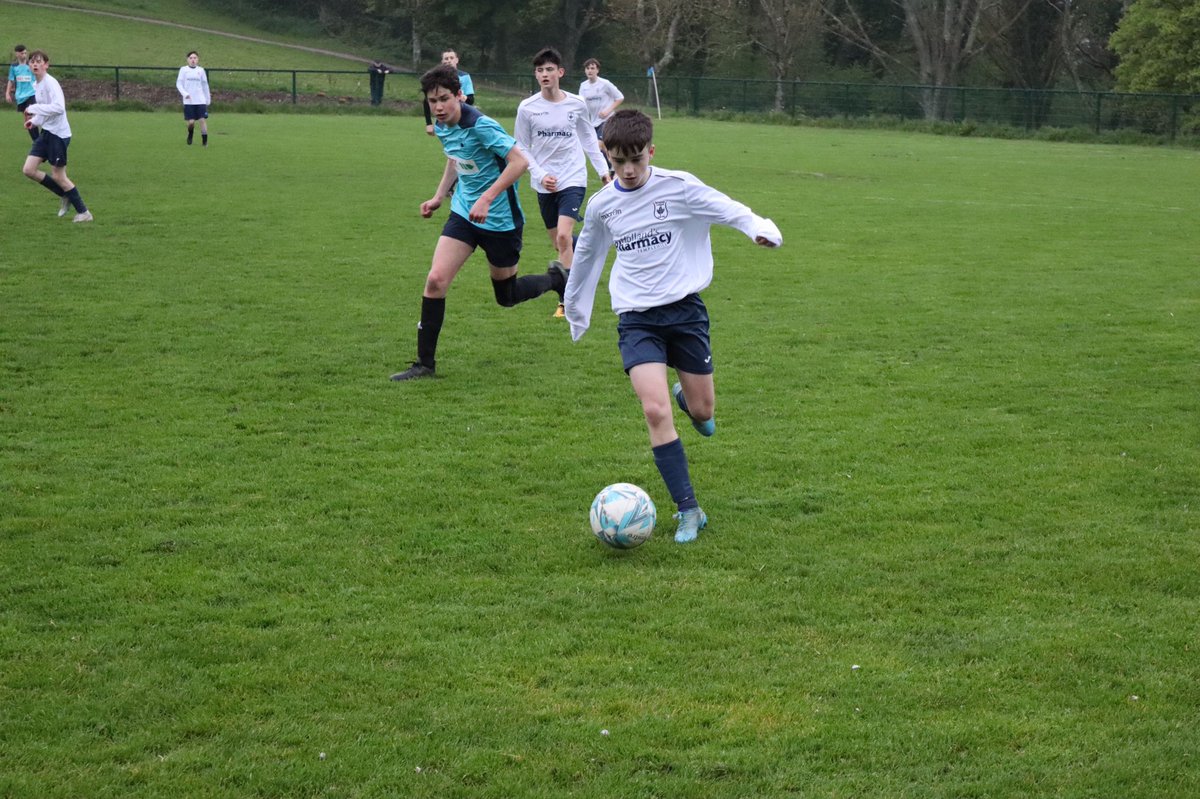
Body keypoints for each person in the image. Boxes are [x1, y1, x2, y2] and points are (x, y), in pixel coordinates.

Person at [563, 109, 782, 543]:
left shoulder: (678, 187)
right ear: (605, 154)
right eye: (617, 161)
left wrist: (760, 229)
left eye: (636, 160)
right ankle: (689, 510)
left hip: (684, 313)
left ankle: (689, 399)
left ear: (651, 152)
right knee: (653, 410)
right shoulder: (603, 205)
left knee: (703, 412)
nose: (627, 170)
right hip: (636, 318)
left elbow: (728, 208)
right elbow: (587, 258)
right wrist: (576, 311)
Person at [390, 64, 566, 382]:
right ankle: (424, 364)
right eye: (432, 101)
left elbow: (519, 163)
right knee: (435, 281)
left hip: (500, 222)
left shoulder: (481, 125)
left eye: (444, 98)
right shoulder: (443, 126)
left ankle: (556, 279)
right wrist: (439, 196)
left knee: (506, 295)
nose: (439, 107)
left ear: (460, 95)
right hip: (463, 214)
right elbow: (455, 158)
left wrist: (487, 197)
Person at [515, 46, 609, 319]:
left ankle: (566, 301)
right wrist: (540, 174)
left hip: (573, 177)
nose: (544, 74)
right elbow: (521, 147)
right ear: (536, 75)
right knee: (560, 243)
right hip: (545, 183)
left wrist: (603, 171)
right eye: (540, 70)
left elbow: (589, 139)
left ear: (560, 73)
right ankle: (589, 245)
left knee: (564, 237)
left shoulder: (576, 104)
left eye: (549, 69)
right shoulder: (527, 108)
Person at [21, 50, 92, 223]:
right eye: (32, 62)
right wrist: (35, 121)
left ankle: (84, 213)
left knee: (59, 176)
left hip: (58, 135)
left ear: (46, 64)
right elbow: (47, 110)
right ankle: (64, 194)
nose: (35, 64)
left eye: (39, 61)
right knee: (29, 170)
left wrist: (33, 109)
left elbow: (59, 107)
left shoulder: (51, 83)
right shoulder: (37, 85)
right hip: (47, 133)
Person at [578, 57, 624, 172]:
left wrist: (607, 111)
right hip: (593, 122)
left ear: (597, 70)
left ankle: (609, 170)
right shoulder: (583, 86)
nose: (590, 71)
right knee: (603, 147)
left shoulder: (605, 84)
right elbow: (580, 104)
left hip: (608, 120)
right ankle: (613, 168)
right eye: (587, 68)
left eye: (592, 68)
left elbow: (620, 97)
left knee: (598, 145)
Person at [423, 49, 474, 136]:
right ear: (442, 61)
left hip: (462, 118)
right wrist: (429, 123)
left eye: (451, 58)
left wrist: (465, 98)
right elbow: (427, 100)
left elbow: (471, 100)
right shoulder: (437, 78)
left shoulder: (465, 76)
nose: (449, 60)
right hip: (443, 120)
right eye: (446, 58)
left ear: (456, 60)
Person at [176, 50, 210, 146]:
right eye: (191, 58)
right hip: (188, 101)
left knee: (202, 120)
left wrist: (207, 98)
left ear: (198, 59)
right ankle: (190, 134)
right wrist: (185, 93)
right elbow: (179, 84)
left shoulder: (201, 70)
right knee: (191, 123)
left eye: (195, 58)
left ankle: (205, 142)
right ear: (187, 60)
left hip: (200, 100)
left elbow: (205, 85)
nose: (193, 60)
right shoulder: (183, 70)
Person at [6, 44, 38, 142]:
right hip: (20, 96)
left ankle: (38, 141)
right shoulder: (14, 67)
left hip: (32, 94)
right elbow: (11, 80)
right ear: (17, 54)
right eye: (22, 53)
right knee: (28, 120)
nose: (24, 55)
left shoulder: (31, 64)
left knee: (30, 116)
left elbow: (39, 75)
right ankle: (36, 140)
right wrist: (7, 93)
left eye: (25, 52)